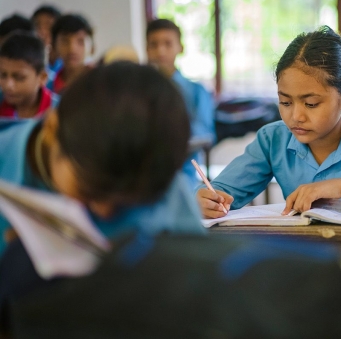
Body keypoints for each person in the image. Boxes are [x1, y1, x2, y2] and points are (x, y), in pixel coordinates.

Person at [198, 26, 341, 218]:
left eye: (311, 104)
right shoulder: (273, 140)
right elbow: (222, 191)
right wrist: (206, 200)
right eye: (285, 102)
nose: (296, 116)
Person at [0, 62, 204, 257]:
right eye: (92, 190)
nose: (105, 213)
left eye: (128, 203)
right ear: (52, 129)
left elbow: (192, 273)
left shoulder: (152, 170)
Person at [146, 18, 215, 186]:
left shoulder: (197, 91)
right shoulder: (137, 90)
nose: (160, 51)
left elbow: (205, 132)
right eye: (154, 44)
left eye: (168, 44)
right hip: (143, 178)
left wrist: (168, 141)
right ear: (147, 49)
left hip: (184, 177)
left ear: (180, 47)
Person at [0, 32, 59, 119]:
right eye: (3, 75)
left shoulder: (60, 111)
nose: (8, 85)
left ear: (42, 78)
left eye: (19, 78)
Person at [47, 14, 93, 94]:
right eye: (65, 41)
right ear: (54, 46)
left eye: (80, 41)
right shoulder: (47, 88)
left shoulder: (101, 82)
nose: (72, 49)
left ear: (92, 48)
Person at [31, 4, 62, 73]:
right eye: (37, 26)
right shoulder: (29, 62)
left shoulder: (67, 62)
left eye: (49, 26)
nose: (42, 32)